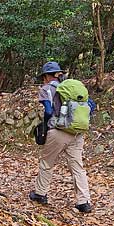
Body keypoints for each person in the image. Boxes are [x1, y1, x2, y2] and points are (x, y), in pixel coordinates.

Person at [29, 61, 95, 213]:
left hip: (57, 131)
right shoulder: (72, 88)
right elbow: (91, 106)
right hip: (77, 133)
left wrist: (45, 126)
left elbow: (47, 111)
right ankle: (83, 201)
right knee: (77, 167)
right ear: (58, 74)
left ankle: (40, 194)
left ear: (46, 76)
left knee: (47, 163)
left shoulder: (46, 89)